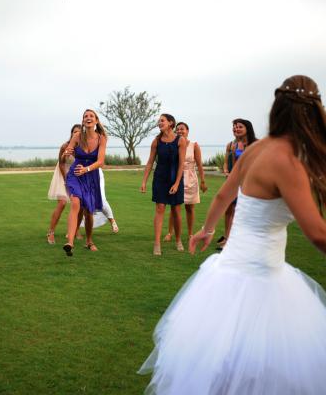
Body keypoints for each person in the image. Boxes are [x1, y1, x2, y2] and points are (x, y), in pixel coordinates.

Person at [139, 75, 326, 394]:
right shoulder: (287, 161)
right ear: (313, 113)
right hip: (260, 282)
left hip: (228, 274)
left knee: (225, 368)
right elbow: (318, 234)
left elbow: (224, 196)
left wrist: (207, 230)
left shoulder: (257, 150)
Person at [62, 109, 107, 256]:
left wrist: (86, 169)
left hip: (91, 175)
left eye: (91, 116)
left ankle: (89, 241)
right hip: (75, 174)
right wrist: (67, 152)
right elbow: (68, 151)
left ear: (96, 121)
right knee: (75, 203)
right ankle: (70, 242)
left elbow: (100, 162)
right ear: (83, 121)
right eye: (85, 116)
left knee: (88, 212)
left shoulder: (101, 139)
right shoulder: (77, 136)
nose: (88, 118)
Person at [140, 114, 186, 255]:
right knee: (160, 208)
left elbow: (181, 164)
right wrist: (144, 181)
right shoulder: (157, 141)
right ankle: (157, 243)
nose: (159, 123)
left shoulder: (180, 140)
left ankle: (178, 240)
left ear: (170, 123)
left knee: (176, 210)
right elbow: (149, 162)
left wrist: (177, 183)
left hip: (174, 178)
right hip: (160, 178)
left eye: (162, 120)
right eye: (159, 121)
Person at [163, 122, 207, 240]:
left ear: (187, 131)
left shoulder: (194, 145)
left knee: (189, 208)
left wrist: (203, 180)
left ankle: (190, 234)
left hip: (191, 179)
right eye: (178, 129)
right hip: (176, 177)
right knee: (174, 207)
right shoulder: (174, 144)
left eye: (182, 129)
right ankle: (170, 233)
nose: (180, 131)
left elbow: (199, 164)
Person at [219, 118, 258, 248]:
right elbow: (226, 161)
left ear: (248, 128)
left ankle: (239, 240)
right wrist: (226, 171)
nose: (236, 129)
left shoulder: (256, 144)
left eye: (240, 127)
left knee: (243, 211)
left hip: (249, 183)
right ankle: (227, 237)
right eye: (234, 127)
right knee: (229, 210)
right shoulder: (231, 145)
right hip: (232, 182)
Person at [46, 124, 82, 244]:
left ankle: (74, 230)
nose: (76, 134)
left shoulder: (83, 148)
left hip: (76, 176)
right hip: (63, 174)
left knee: (77, 205)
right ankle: (50, 232)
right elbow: (61, 163)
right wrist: (67, 179)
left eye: (79, 132)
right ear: (71, 133)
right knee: (62, 203)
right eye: (74, 132)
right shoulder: (65, 146)